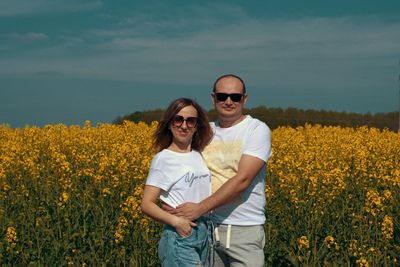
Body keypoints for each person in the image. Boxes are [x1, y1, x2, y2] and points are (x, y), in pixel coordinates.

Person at [169, 74, 272, 266]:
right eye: (222, 96)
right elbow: (176, 166)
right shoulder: (204, 131)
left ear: (245, 99)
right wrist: (169, 205)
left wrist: (199, 208)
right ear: (213, 98)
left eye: (235, 97)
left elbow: (243, 179)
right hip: (204, 228)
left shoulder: (257, 130)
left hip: (244, 229)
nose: (229, 101)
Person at [141, 98, 213, 267]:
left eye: (191, 121)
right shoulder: (163, 159)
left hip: (204, 233)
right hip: (180, 236)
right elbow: (147, 204)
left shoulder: (199, 154)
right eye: (178, 119)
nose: (184, 125)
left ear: (196, 126)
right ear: (169, 123)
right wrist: (176, 222)